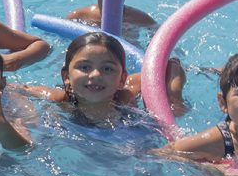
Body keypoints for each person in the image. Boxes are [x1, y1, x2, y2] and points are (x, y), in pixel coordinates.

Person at [23, 32, 186, 127]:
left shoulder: (126, 96)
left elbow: (171, 65)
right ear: (66, 77)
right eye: (84, 67)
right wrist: (29, 116)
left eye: (107, 69)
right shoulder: (60, 100)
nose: (95, 75)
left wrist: (174, 97)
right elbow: (14, 89)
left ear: (122, 79)